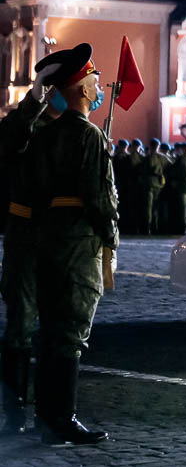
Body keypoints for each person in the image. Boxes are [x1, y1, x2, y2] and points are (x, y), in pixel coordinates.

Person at [31, 43, 116, 444]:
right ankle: (63, 417)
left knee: (49, 325)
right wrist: (110, 237)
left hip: (48, 235)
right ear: (82, 89)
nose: (99, 89)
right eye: (95, 82)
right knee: (72, 331)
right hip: (80, 239)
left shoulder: (45, 136)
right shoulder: (90, 136)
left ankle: (45, 412)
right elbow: (99, 198)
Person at [0, 52, 63, 433]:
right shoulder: (25, 129)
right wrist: (34, 98)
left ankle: (50, 407)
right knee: (21, 323)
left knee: (57, 323)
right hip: (26, 234)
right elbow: (11, 139)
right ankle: (12, 408)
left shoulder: (73, 130)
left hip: (60, 237)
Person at [138, 138, 169, 234]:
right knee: (153, 207)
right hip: (157, 185)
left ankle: (150, 228)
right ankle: (153, 227)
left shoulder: (147, 158)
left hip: (151, 185)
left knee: (150, 207)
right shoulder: (163, 158)